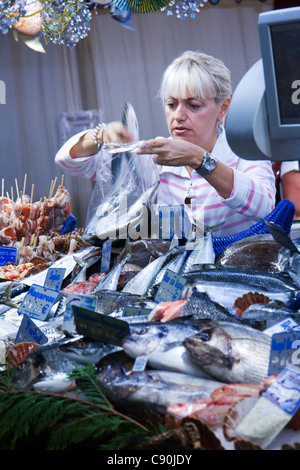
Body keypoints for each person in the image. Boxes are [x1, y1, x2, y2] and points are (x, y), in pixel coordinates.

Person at [55, 50, 276, 237]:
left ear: (223, 108)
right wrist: (100, 136)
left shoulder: (244, 152)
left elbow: (265, 207)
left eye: (194, 105)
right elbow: (69, 161)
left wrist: (199, 159)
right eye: (171, 104)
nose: (178, 115)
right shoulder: (154, 157)